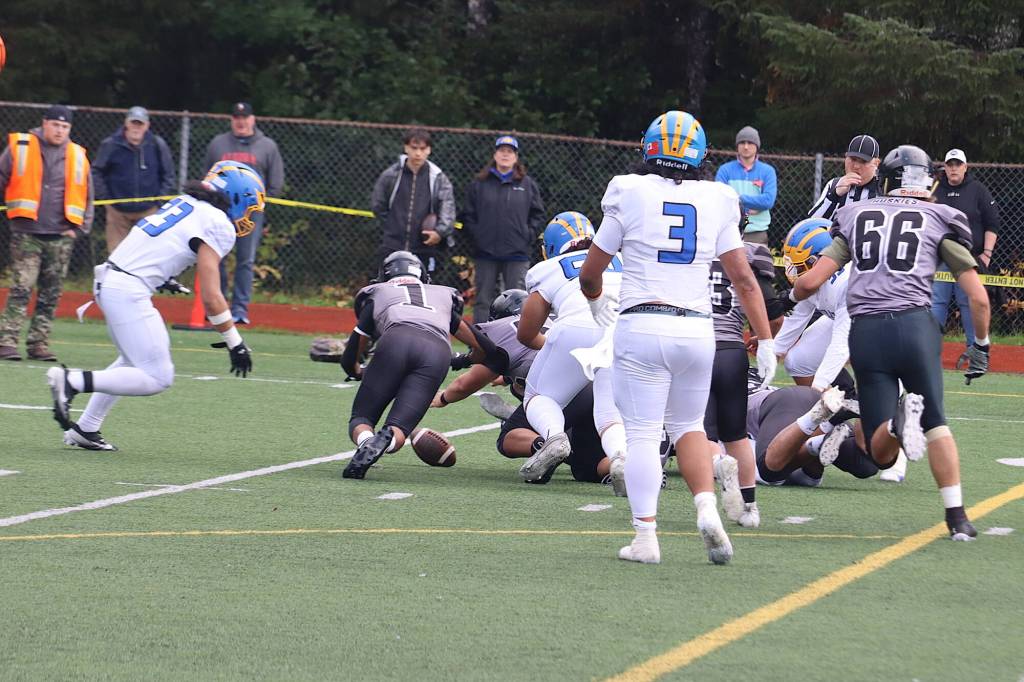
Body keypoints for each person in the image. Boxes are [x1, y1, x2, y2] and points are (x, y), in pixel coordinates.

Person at [579, 110, 777, 565]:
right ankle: (706, 508)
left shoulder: (629, 191)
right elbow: (745, 281)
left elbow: (591, 272)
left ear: (648, 147)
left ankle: (646, 538)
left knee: (643, 434)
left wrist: (594, 299)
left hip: (643, 324)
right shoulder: (717, 198)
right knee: (689, 426)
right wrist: (765, 340)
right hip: (696, 329)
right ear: (700, 155)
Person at [793, 144, 992, 540]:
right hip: (915, 327)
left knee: (880, 452)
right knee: (936, 423)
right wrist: (981, 345)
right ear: (927, 181)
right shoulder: (938, 216)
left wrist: (789, 297)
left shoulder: (857, 215)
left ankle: (897, 426)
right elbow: (979, 298)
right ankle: (957, 518)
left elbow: (810, 282)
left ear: (886, 180)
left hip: (867, 333)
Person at [44, 161, 264, 450]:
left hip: (112, 278)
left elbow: (155, 242)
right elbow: (212, 297)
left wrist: (162, 276)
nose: (249, 215)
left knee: (132, 360)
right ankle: (72, 381)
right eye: (250, 207)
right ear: (237, 196)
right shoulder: (218, 223)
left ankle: (86, 428)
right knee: (158, 377)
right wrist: (235, 342)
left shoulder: (186, 202)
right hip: (126, 289)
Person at [432, 289, 611, 485]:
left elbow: (464, 385)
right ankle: (626, 466)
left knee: (508, 437)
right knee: (587, 468)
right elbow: (534, 358)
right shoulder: (560, 318)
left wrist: (443, 398)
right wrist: (506, 377)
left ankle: (544, 447)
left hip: (564, 391)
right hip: (602, 387)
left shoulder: (501, 330)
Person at [515, 212, 628, 492]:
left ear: (551, 246)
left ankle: (555, 438)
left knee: (538, 396)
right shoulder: (623, 259)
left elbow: (526, 333)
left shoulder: (549, 267)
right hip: (624, 331)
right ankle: (621, 458)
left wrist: (560, 351)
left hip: (577, 326)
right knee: (609, 412)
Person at [340, 251, 470, 480]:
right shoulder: (442, 295)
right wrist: (464, 359)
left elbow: (352, 354)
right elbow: (481, 345)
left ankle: (367, 441)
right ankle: (387, 441)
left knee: (361, 418)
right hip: (436, 354)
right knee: (399, 426)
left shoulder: (381, 292)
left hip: (393, 345)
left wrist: (357, 371)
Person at [0, 104, 94, 362]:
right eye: (55, 125)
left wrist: (80, 229)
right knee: (22, 287)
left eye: (65, 126)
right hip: (27, 232)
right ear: (44, 123)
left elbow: (88, 195)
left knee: (51, 293)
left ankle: (38, 344)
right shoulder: (21, 147)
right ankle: (6, 341)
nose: (59, 130)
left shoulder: (77, 155)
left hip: (61, 235)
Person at [705, 237, 787, 528]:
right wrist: (762, 338)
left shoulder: (691, 248)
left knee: (701, 433)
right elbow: (773, 310)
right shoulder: (749, 253)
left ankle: (718, 466)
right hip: (732, 351)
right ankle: (750, 509)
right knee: (736, 435)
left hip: (697, 347)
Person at [205, 102, 285, 325]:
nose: (241, 121)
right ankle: (217, 306)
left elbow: (276, 182)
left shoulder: (267, 146)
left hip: (250, 213)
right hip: (220, 211)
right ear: (232, 120)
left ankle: (240, 309)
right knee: (216, 257)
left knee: (245, 259)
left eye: (245, 117)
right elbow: (208, 177)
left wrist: (259, 204)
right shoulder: (218, 144)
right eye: (236, 117)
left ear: (252, 119)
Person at [461, 135, 546, 322]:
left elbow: (538, 215)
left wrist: (527, 236)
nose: (505, 155)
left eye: (510, 151)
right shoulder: (479, 184)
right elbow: (468, 215)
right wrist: (478, 237)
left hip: (517, 254)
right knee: (483, 300)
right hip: (485, 253)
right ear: (495, 155)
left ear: (516, 157)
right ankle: (480, 338)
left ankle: (515, 338)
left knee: (517, 300)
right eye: (502, 151)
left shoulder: (527, 184)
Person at [931, 148, 1001, 352]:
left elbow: (992, 222)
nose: (953, 169)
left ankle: (974, 349)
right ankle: (930, 348)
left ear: (965, 167)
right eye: (950, 165)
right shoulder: (935, 189)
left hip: (968, 257)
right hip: (940, 256)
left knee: (970, 302)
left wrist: (987, 253)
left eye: (957, 164)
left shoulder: (978, 190)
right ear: (945, 168)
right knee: (937, 302)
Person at [370, 128, 456, 279]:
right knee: (387, 285)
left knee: (427, 287)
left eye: (422, 149)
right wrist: (392, 225)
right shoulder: (391, 175)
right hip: (392, 245)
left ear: (429, 150)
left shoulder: (438, 177)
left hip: (425, 247)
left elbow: (447, 207)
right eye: (414, 148)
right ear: (406, 148)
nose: (418, 153)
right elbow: (378, 204)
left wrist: (439, 232)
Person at [92, 106, 176, 253]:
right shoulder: (111, 144)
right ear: (126, 123)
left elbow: (168, 174)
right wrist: (106, 199)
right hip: (117, 213)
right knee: (117, 256)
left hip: (149, 212)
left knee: (147, 255)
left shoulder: (157, 144)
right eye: (133, 123)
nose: (136, 128)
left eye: (140, 124)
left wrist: (159, 201)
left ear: (147, 126)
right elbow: (96, 171)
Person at [714, 126, 777, 244]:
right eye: (742, 142)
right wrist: (750, 208)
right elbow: (720, 199)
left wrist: (737, 199)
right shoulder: (725, 170)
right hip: (729, 232)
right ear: (737, 146)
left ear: (757, 146)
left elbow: (768, 201)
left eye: (750, 143)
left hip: (757, 233)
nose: (746, 146)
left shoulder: (768, 171)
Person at [808, 134, 881, 220]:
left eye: (864, 161)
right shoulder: (834, 184)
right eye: (853, 159)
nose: (856, 166)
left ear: (876, 163)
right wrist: (834, 195)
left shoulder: (883, 189)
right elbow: (812, 222)